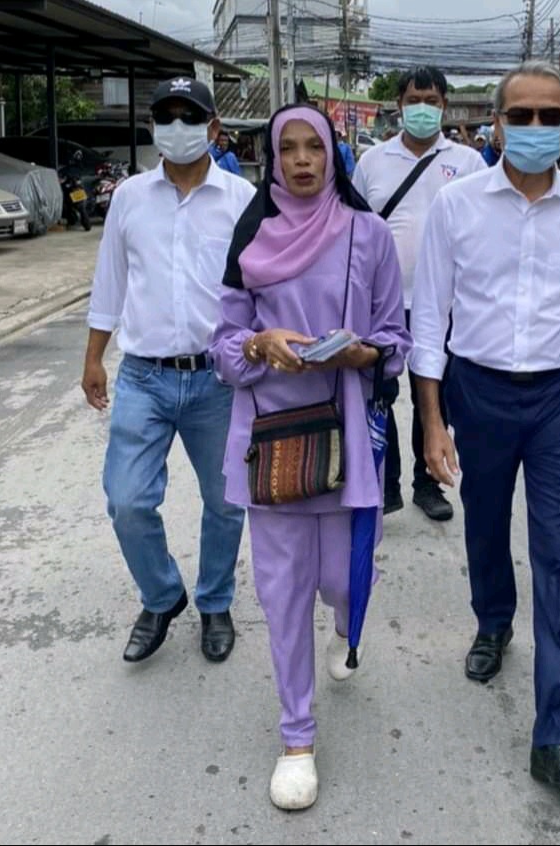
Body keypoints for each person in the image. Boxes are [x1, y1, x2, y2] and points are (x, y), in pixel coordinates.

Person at [410, 60, 560, 789]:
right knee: (485, 521)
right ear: (496, 123)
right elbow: (430, 318)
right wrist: (433, 422)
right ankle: (493, 620)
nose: (535, 129)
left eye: (550, 117)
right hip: (480, 390)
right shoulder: (457, 205)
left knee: (558, 555)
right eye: (520, 116)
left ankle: (554, 734)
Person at [210, 104, 411, 811]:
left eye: (313, 149)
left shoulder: (369, 234)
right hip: (271, 439)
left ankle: (344, 628)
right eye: (287, 149)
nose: (301, 161)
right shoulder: (251, 239)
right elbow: (223, 347)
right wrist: (261, 346)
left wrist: (365, 353)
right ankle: (297, 737)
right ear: (272, 158)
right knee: (283, 593)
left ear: (333, 157)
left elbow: (396, 337)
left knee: (344, 586)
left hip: (349, 433)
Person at [81, 77, 256, 664]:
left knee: (227, 501)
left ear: (212, 128)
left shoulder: (240, 198)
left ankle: (214, 602)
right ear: (153, 125)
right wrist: (93, 357)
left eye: (190, 116)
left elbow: (260, 286)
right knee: (127, 500)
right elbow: (111, 279)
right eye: (166, 115)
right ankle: (162, 595)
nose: (176, 127)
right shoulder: (130, 197)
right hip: (144, 377)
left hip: (217, 380)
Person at [353, 65, 485, 521]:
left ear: (444, 106)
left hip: (446, 304)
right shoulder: (372, 162)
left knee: (435, 394)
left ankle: (427, 484)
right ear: (399, 106)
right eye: (415, 100)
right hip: (383, 302)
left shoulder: (468, 163)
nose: (423, 109)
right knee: (380, 392)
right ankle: (385, 482)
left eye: (432, 101)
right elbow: (354, 229)